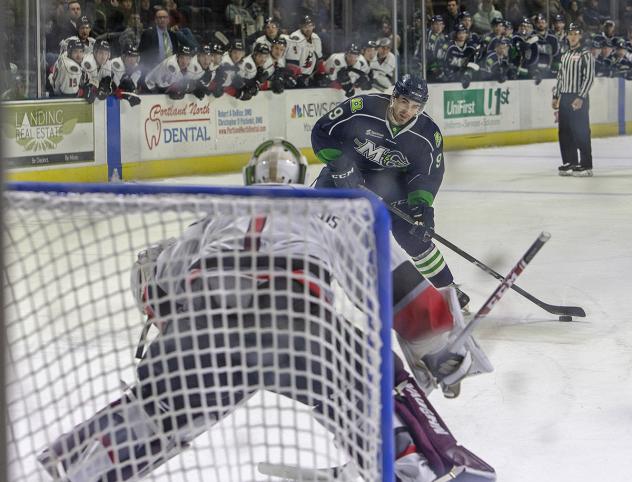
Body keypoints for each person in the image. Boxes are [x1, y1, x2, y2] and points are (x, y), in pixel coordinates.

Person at [36, 138, 495, 482]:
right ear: (300, 179)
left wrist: (174, 338)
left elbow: (153, 283)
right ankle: (417, 466)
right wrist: (441, 349)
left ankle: (73, 467)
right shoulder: (328, 212)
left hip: (203, 330)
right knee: (376, 377)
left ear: (248, 177)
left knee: (156, 414)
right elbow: (397, 286)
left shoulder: (213, 219)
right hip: (300, 332)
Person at [311, 75, 471, 311]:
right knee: (320, 224)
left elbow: (426, 174)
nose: (408, 110)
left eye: (416, 106)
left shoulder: (427, 134)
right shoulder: (362, 108)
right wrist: (339, 164)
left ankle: (448, 289)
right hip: (346, 171)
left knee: (414, 235)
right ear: (394, 97)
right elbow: (322, 132)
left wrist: (422, 207)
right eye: (404, 102)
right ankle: (311, 286)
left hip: (392, 183)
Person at [552, 23, 595, 177]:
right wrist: (556, 95)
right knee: (565, 131)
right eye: (570, 33)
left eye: (576, 33)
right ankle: (570, 161)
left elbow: (589, 78)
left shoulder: (586, 54)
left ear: (580, 36)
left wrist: (581, 97)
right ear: (567, 36)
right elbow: (560, 77)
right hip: (565, 97)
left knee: (581, 131)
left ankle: (586, 165)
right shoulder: (565, 55)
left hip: (578, 97)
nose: (573, 36)